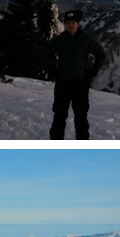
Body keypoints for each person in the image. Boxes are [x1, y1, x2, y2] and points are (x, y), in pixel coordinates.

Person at [42, 9, 106, 140]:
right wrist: (51, 70)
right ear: (65, 25)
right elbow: (43, 52)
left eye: (73, 22)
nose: (70, 25)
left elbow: (101, 53)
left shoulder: (85, 40)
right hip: (63, 84)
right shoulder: (59, 40)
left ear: (78, 24)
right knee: (59, 116)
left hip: (80, 85)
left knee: (81, 118)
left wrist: (93, 71)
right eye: (68, 23)